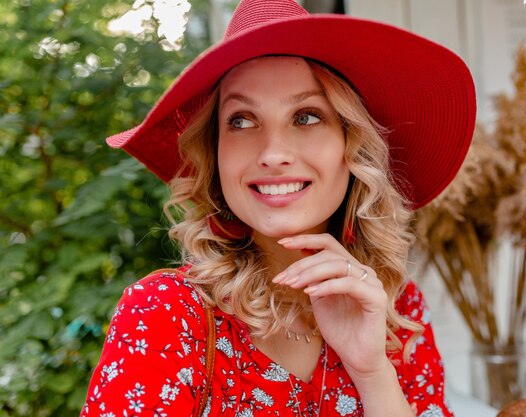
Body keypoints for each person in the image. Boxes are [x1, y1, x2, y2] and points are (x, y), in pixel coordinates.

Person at [80, 0, 476, 416]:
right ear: (215, 155)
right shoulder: (167, 313)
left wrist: (372, 371)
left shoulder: (396, 310)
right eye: (242, 120)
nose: (273, 154)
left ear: (352, 146)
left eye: (305, 117)